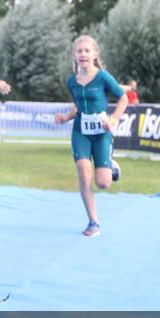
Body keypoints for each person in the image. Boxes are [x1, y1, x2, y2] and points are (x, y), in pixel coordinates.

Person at [54, 36, 129, 237]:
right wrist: (66, 118)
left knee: (103, 183)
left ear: (95, 54)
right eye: (79, 51)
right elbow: (78, 104)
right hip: (81, 132)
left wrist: (113, 120)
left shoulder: (103, 77)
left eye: (87, 51)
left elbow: (123, 98)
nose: (83, 54)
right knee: (84, 174)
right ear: (74, 56)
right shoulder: (72, 81)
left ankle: (111, 167)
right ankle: (93, 221)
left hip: (102, 133)